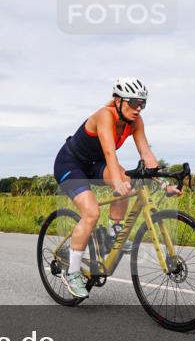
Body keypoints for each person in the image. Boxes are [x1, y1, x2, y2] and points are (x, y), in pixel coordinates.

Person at [52, 77, 180, 299]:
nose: (138, 108)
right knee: (91, 212)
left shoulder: (136, 122)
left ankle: (114, 229)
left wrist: (164, 183)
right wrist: (118, 180)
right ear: (118, 101)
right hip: (71, 162)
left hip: (96, 163)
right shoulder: (105, 115)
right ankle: (72, 272)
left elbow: (146, 153)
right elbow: (110, 152)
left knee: (129, 187)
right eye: (133, 102)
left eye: (142, 103)